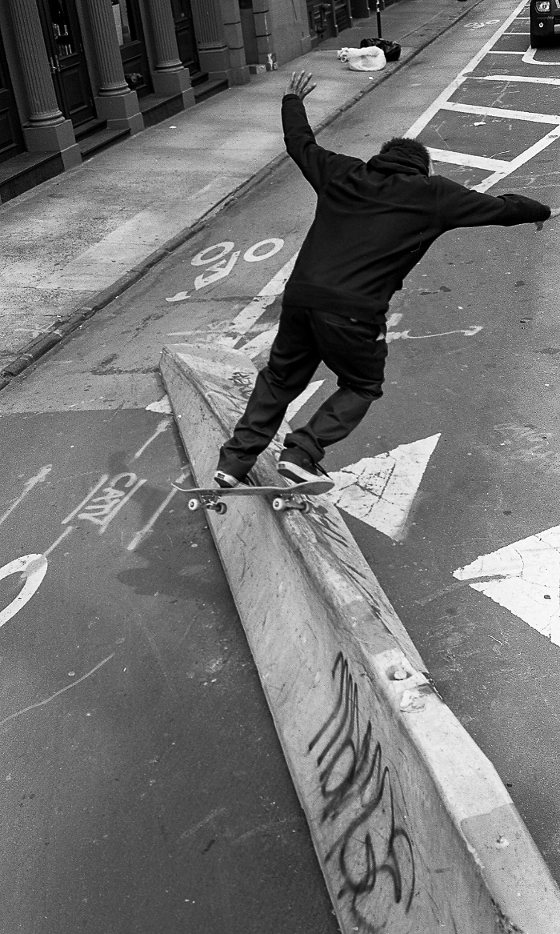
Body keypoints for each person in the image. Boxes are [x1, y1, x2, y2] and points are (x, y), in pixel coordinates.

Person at [214, 70, 555, 488]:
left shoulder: (341, 172)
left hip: (301, 298)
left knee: (281, 378)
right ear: (423, 167)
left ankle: (232, 464)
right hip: (355, 312)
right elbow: (500, 209)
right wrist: (542, 211)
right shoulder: (433, 194)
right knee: (361, 383)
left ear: (383, 156)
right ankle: (302, 452)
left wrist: (291, 100)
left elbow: (300, 144)